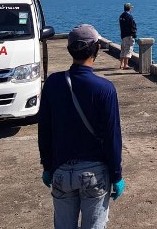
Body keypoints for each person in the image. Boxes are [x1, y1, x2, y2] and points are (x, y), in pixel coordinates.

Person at [38, 24, 124, 229]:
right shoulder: (105, 89)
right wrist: (117, 175)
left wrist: (47, 166)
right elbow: (112, 137)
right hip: (95, 175)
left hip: (61, 171)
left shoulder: (53, 83)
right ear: (96, 49)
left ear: (69, 49)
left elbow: (45, 130)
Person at [118, 3, 137, 71]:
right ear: (129, 8)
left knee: (123, 50)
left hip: (123, 35)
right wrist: (134, 34)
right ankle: (126, 65)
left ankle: (121, 64)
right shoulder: (129, 16)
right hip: (129, 35)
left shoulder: (121, 16)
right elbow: (133, 26)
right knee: (128, 49)